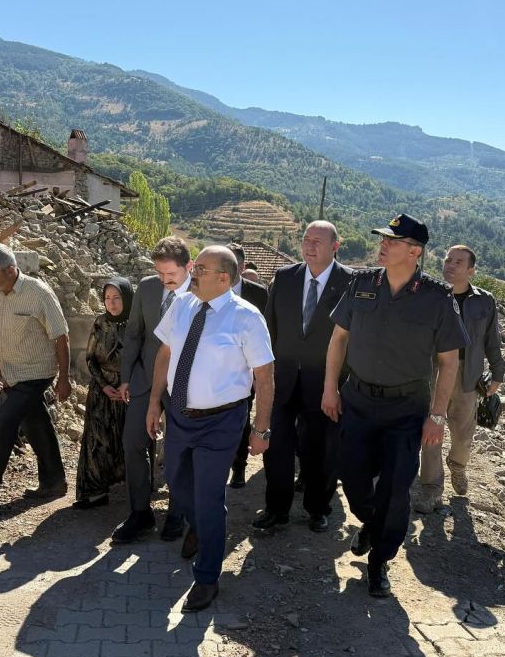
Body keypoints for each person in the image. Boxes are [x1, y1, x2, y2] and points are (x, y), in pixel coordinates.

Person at [322, 214, 468, 597]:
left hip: (406, 409)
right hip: (357, 400)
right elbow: (338, 340)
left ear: (415, 251)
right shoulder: (361, 284)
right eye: (383, 239)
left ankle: (379, 561)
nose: (383, 245)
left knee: (396, 488)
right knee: (352, 477)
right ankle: (371, 523)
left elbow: (449, 361)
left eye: (393, 240)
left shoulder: (437, 298)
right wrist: (329, 389)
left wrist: (437, 416)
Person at [147, 246, 274, 611]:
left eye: (200, 268)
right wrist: (155, 401)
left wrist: (261, 429)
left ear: (224, 277)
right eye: (193, 266)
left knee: (209, 497)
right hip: (179, 416)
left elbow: (265, 378)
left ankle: (206, 579)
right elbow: (165, 354)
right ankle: (200, 525)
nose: (193, 271)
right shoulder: (182, 304)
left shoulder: (247, 318)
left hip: (222, 421)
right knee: (177, 482)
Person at [253, 221, 353, 534]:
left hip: (325, 385)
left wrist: (338, 387)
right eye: (306, 239)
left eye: (318, 241)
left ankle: (318, 508)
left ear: (335, 246)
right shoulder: (285, 278)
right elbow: (269, 330)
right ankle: (276, 508)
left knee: (321, 450)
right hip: (282, 382)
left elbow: (353, 340)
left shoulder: (350, 283)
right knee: (277, 446)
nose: (309, 246)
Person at [0, 243, 72, 510]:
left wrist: (64, 378)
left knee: (4, 424)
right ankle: (54, 482)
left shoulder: (38, 293)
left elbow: (61, 336)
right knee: (36, 424)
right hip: (11, 371)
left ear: (11, 269)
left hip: (37, 372)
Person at [113, 237, 194, 544]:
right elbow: (134, 334)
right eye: (159, 274)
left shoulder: (201, 294)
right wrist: (126, 378)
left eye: (170, 275)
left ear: (188, 267)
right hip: (145, 379)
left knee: (179, 449)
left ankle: (177, 512)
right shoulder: (146, 287)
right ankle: (140, 513)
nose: (164, 281)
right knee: (132, 443)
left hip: (183, 386)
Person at [413, 245, 505, 512]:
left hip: (468, 374)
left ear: (471, 270)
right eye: (448, 260)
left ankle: (458, 465)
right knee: (432, 429)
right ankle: (431, 488)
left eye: (458, 262)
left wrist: (498, 373)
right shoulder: (429, 295)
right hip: (433, 371)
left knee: (463, 434)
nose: (451, 265)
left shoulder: (484, 301)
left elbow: (492, 340)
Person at [74, 278, 134, 509]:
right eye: (108, 298)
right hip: (102, 392)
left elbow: (143, 359)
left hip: (130, 392)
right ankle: (96, 492)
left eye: (117, 297)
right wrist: (103, 385)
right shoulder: (99, 323)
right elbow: (90, 359)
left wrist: (127, 384)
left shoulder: (136, 324)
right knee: (97, 440)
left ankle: (135, 492)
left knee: (129, 441)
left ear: (127, 298)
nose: (112, 303)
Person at [226, 242, 270, 488]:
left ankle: (239, 467)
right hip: (220, 369)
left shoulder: (258, 294)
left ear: (241, 267)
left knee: (242, 415)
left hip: (249, 368)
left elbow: (266, 332)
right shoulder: (208, 290)